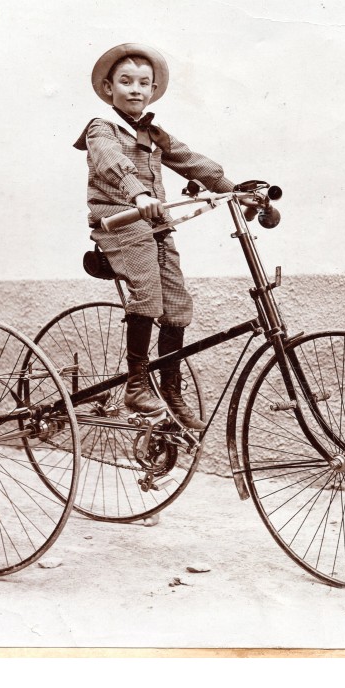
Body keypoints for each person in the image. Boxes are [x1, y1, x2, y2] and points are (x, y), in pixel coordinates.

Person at [74, 43, 237, 429]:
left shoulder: (153, 132)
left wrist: (235, 188)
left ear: (151, 91)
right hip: (119, 220)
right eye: (126, 81)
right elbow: (112, 161)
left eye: (143, 83)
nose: (135, 89)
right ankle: (135, 383)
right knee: (147, 293)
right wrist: (138, 192)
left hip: (154, 224)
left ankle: (170, 388)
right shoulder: (102, 129)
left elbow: (189, 160)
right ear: (108, 87)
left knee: (177, 303)